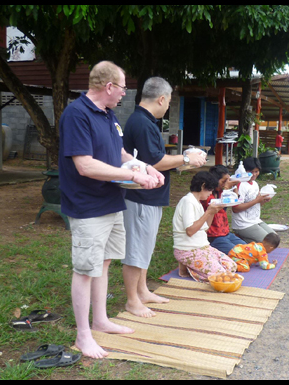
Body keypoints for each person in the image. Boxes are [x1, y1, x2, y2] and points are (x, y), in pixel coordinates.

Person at [58, 61, 165, 359]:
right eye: (122, 88)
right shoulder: (77, 115)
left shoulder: (108, 115)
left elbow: (117, 152)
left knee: (103, 263)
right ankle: (83, 336)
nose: (123, 93)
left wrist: (142, 165)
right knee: (84, 270)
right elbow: (85, 164)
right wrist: (132, 176)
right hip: (87, 206)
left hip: (110, 201)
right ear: (108, 87)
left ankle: (101, 321)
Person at [122, 76, 206, 318]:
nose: (168, 106)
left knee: (145, 247)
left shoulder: (144, 120)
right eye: (168, 101)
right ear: (161, 99)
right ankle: (132, 301)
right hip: (140, 198)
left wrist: (184, 160)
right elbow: (156, 162)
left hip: (149, 196)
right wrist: (187, 158)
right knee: (136, 250)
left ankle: (143, 291)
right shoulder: (143, 123)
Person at [173, 171, 237, 282]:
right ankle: (188, 266)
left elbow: (205, 227)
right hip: (188, 249)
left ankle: (189, 268)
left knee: (231, 266)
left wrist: (213, 211)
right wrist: (208, 212)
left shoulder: (197, 202)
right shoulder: (188, 201)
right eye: (210, 190)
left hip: (202, 246)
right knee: (220, 275)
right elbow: (190, 231)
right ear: (203, 186)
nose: (210, 193)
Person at [200, 165, 245, 255]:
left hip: (226, 233)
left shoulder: (220, 191)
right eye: (223, 181)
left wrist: (234, 187)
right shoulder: (207, 195)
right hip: (214, 236)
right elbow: (218, 206)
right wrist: (227, 188)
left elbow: (233, 203)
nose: (225, 183)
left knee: (248, 249)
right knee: (240, 254)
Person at [231, 157, 277, 243]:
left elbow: (256, 204)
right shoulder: (241, 185)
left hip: (255, 220)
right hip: (242, 224)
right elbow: (235, 208)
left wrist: (263, 200)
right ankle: (241, 239)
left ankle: (246, 240)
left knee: (275, 238)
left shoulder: (255, 184)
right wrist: (257, 200)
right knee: (267, 242)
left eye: (256, 171)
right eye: (251, 172)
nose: (254, 174)